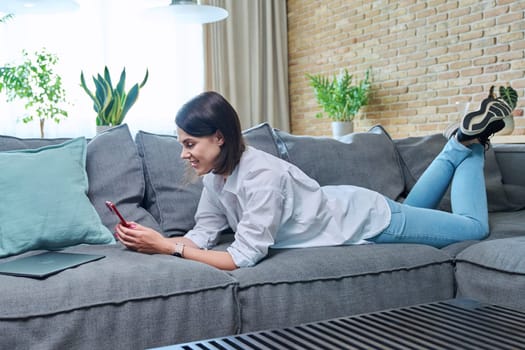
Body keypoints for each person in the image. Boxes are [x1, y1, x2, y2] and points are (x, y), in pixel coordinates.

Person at [115, 89, 517, 270]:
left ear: (219, 137)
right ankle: (458, 146)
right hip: (359, 206)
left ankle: (470, 144)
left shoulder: (261, 177)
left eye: (189, 143)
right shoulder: (217, 177)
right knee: (413, 210)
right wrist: (153, 240)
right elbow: (204, 234)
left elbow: (239, 258)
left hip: (370, 220)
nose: (183, 153)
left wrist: (170, 249)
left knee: (474, 227)